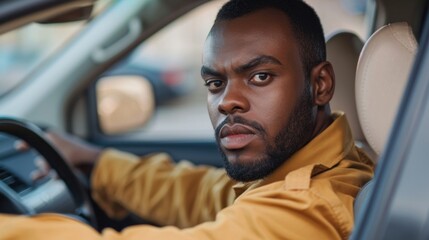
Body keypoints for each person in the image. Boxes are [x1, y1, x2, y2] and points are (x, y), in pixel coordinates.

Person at [0, 0, 374, 239]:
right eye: (215, 82)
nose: (228, 102)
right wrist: (97, 164)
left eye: (260, 77)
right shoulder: (320, 164)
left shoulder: (314, 207)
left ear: (320, 84)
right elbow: (203, 192)